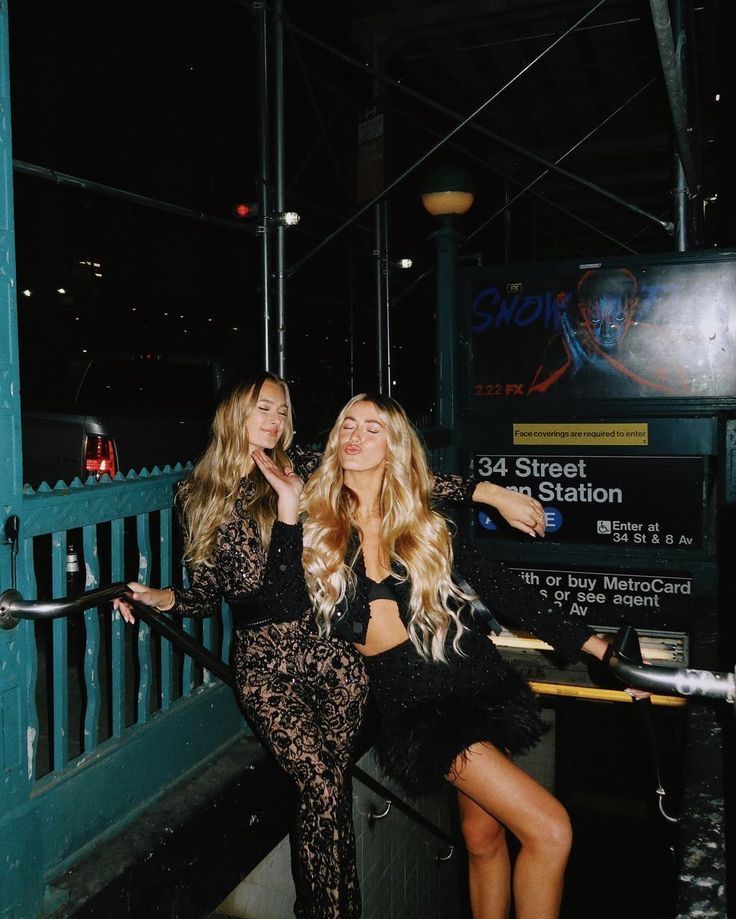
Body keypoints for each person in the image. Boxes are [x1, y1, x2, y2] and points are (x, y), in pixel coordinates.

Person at [113, 372, 547, 919]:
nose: (273, 422)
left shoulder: (311, 467)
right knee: (319, 784)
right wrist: (161, 596)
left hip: (332, 655)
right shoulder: (197, 493)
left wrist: (488, 492)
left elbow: (400, 474)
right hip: (267, 662)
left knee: (332, 792)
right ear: (233, 415)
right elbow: (212, 593)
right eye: (261, 409)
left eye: (281, 411)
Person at [300, 393, 614, 919]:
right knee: (551, 828)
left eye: (373, 428)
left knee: (483, 838)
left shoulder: (425, 522)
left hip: (477, 681)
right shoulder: (311, 523)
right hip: (422, 710)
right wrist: (168, 598)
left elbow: (507, 590)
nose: (355, 435)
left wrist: (598, 647)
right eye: (347, 424)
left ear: (394, 446)